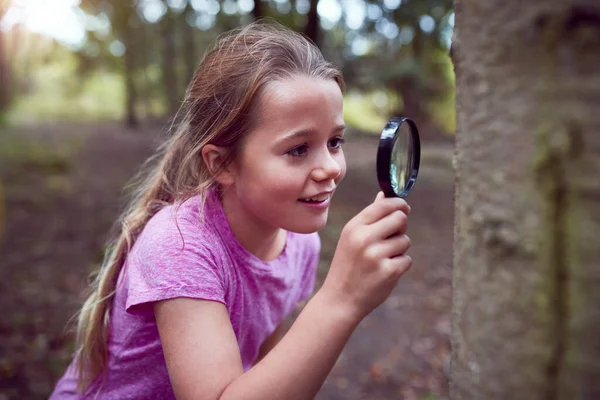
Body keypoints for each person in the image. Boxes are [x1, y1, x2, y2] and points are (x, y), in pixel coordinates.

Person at [50, 21, 412, 400]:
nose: (332, 168)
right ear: (222, 164)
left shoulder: (300, 246)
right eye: (298, 149)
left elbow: (267, 366)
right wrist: (340, 299)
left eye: (334, 142)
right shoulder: (181, 247)